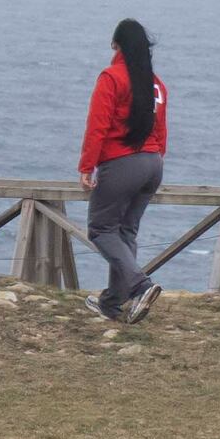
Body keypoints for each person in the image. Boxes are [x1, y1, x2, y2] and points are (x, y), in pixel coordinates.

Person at [80, 20, 169, 321]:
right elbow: (162, 131)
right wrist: (155, 161)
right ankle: (111, 303)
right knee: (126, 231)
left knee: (102, 229)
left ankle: (140, 285)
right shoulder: (156, 84)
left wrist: (86, 166)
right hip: (153, 164)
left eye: (113, 45)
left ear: (119, 47)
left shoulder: (112, 78)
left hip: (122, 163)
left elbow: (97, 126)